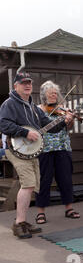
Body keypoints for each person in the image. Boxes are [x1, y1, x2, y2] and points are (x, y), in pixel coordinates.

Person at [0, 72, 73, 239]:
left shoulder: (32, 107)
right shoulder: (10, 103)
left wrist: (64, 120)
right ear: (15, 86)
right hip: (16, 148)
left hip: (31, 150)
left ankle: (23, 221)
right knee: (27, 184)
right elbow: (3, 124)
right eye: (23, 83)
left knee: (32, 185)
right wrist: (25, 133)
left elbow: (49, 126)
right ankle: (19, 223)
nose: (27, 85)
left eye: (29, 83)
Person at [34, 81, 78, 224]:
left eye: (55, 93)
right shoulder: (37, 110)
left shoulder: (63, 110)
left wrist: (69, 120)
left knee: (65, 178)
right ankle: (41, 212)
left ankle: (69, 208)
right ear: (43, 95)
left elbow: (69, 128)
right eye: (50, 92)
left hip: (62, 147)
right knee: (44, 180)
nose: (54, 95)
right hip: (44, 149)